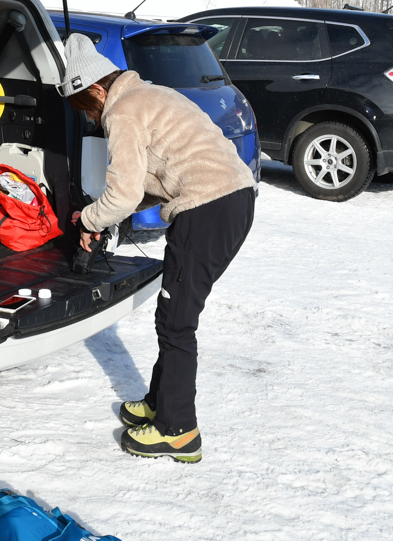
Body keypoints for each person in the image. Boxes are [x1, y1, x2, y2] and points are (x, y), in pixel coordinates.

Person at [60, 33, 256, 463]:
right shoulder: (150, 94)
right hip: (231, 199)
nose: (93, 120)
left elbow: (125, 195)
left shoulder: (123, 113)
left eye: (88, 109)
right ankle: (159, 402)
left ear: (96, 90)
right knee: (175, 312)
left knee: (176, 323)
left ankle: (178, 430)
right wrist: (109, 212)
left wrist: (90, 219)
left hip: (207, 209)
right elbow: (158, 178)